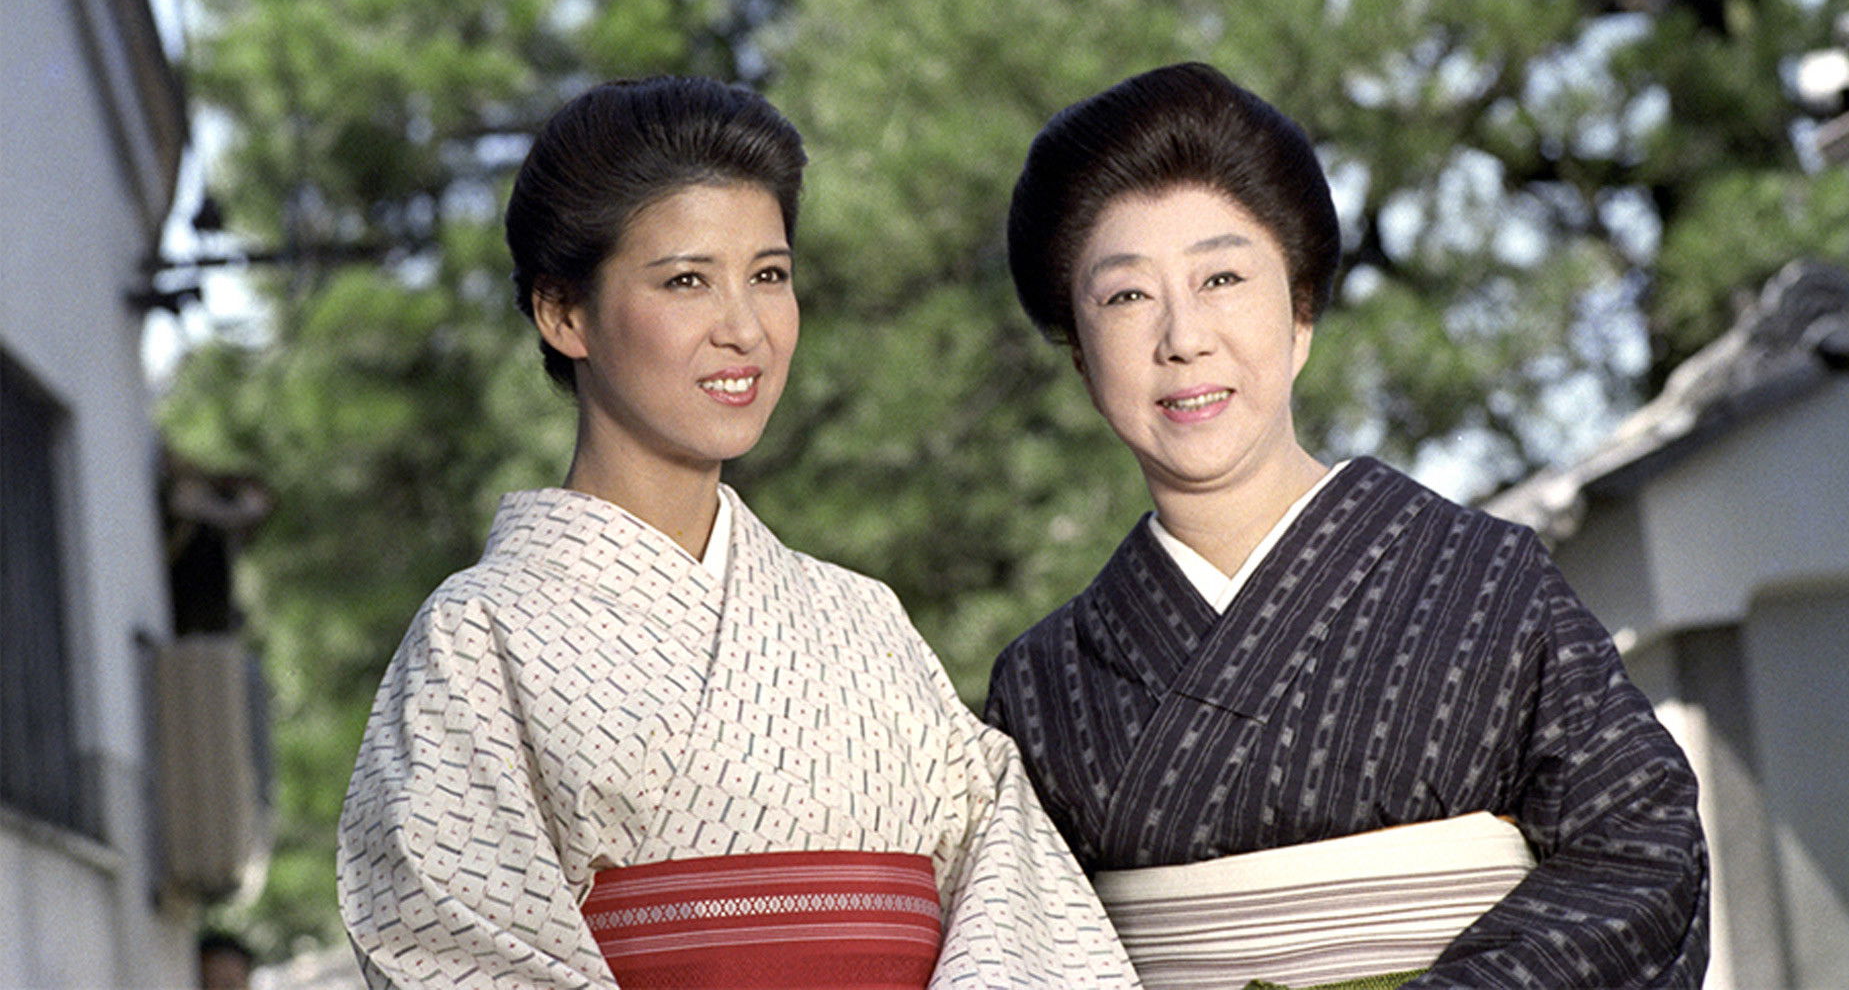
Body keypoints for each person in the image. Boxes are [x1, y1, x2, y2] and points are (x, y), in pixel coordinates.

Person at [337, 76, 1138, 990]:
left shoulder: (864, 622)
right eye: (687, 281)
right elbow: (451, 948)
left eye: (769, 276)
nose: (746, 330)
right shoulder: (479, 639)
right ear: (565, 314)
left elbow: (1019, 906)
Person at [984, 62, 1708, 989]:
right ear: (1082, 359)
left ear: (1300, 316)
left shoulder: (1488, 584)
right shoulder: (1043, 686)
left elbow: (1643, 856)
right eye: (1126, 296)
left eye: (1221, 278)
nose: (1182, 337)